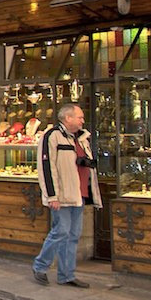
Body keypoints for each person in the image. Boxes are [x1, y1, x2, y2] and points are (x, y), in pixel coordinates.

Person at [32, 103, 102, 288]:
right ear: (68, 118)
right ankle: (40, 266)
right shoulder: (52, 136)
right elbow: (47, 167)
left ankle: (66, 274)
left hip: (78, 194)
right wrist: (52, 195)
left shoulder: (82, 138)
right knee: (60, 232)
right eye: (79, 117)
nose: (82, 120)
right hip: (62, 195)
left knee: (73, 235)